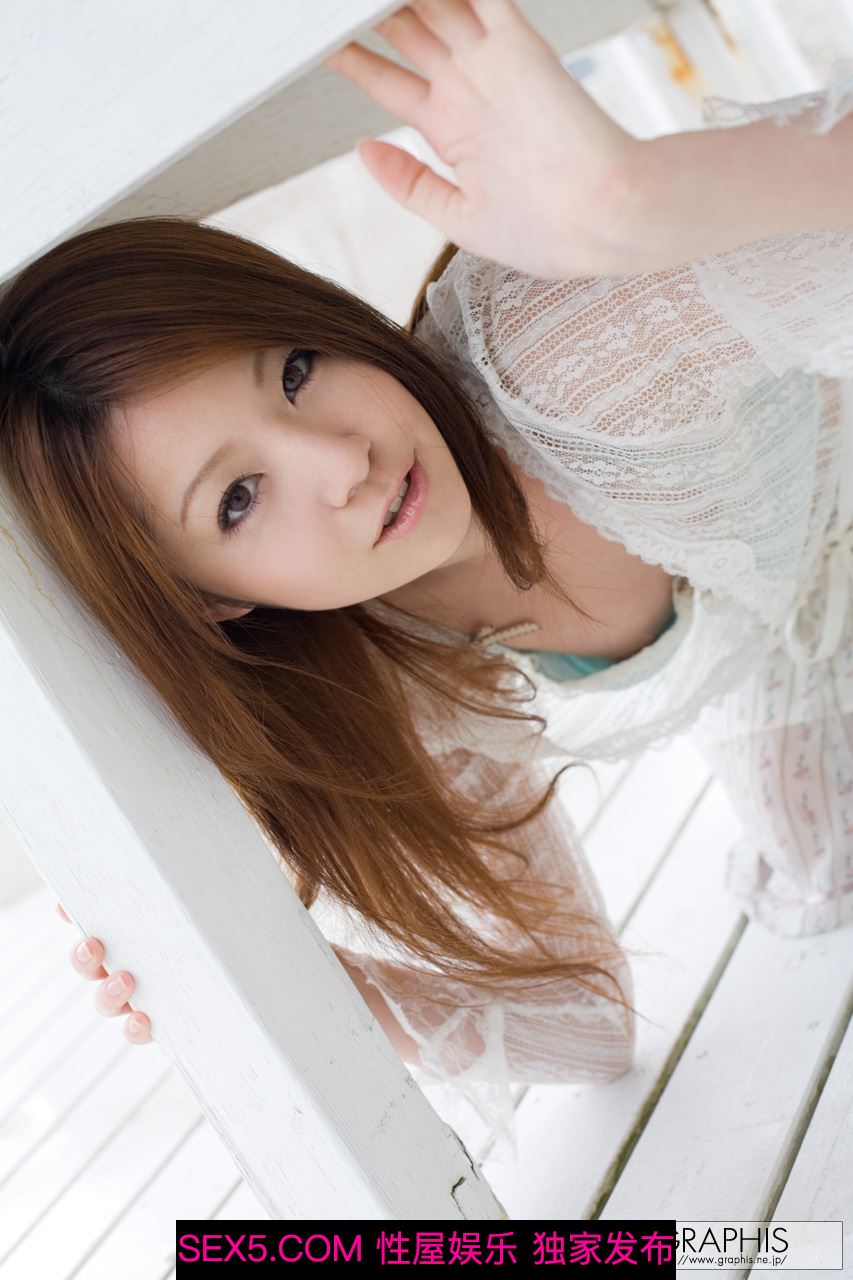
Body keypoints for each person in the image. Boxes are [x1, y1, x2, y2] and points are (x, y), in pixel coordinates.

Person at [8, 0, 851, 1164]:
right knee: (819, 867)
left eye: (295, 370)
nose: (343, 461)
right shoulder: (397, 667)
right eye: (238, 498)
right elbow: (585, 1024)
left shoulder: (567, 355)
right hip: (780, 634)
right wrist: (281, 977)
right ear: (207, 600)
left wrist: (639, 202)